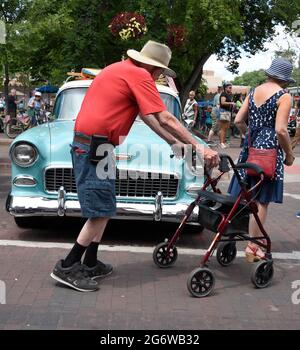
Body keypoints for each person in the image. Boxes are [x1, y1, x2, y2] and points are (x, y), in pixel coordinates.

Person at [50, 40, 220, 292]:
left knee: (105, 206)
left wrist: (173, 141)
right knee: (100, 210)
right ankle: (67, 266)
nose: (160, 76)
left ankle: (90, 263)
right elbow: (165, 117)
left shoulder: (121, 70)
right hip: (93, 147)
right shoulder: (139, 74)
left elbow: (148, 117)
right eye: (161, 71)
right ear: (151, 67)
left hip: (97, 146)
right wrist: (200, 148)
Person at [229, 57, 295, 261]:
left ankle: (233, 236)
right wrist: (289, 154)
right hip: (269, 153)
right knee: (261, 200)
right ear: (284, 79)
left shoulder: (252, 91)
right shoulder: (284, 96)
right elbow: (281, 130)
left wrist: (251, 134)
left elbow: (238, 120)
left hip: (250, 148)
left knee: (244, 194)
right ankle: (253, 246)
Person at [219, 83, 235, 149]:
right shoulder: (223, 94)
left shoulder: (229, 95)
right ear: (225, 88)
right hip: (224, 112)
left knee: (225, 128)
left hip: (227, 112)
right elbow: (223, 102)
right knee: (223, 128)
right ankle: (221, 143)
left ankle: (222, 142)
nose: (231, 89)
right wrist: (231, 103)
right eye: (229, 87)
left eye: (231, 87)